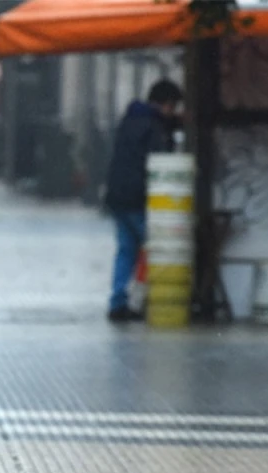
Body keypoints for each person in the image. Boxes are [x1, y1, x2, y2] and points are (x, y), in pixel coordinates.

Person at [104, 79, 183, 322]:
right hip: (140, 198)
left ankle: (118, 301)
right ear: (166, 104)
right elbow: (161, 162)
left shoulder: (130, 119)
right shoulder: (154, 127)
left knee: (125, 250)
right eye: (173, 107)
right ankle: (146, 301)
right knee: (156, 249)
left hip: (119, 196)